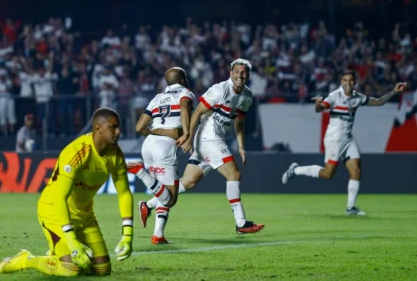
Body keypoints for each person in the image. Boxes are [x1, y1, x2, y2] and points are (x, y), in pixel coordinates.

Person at [131, 59, 265, 235]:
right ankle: (241, 223)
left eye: (244, 72)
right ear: (231, 73)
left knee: (188, 182)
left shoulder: (247, 96)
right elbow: (197, 113)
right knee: (234, 174)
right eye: (237, 72)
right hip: (208, 139)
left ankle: (148, 205)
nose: (240, 76)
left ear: (248, 74)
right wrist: (188, 136)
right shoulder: (219, 90)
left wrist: (241, 146)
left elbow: (240, 120)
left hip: (214, 140)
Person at [0, 107, 134, 276]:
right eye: (113, 127)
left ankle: (59, 253)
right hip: (53, 211)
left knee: (102, 270)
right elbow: (60, 198)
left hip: (84, 216)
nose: (119, 131)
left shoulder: (115, 155)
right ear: (98, 128)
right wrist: (72, 241)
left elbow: (124, 193)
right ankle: (26, 259)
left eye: (118, 127)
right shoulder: (77, 152)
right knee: (72, 269)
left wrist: (127, 234)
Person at [281, 71, 406, 215]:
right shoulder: (335, 96)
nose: (348, 83)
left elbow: (378, 102)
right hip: (335, 138)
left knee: (356, 169)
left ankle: (350, 208)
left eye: (351, 80)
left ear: (355, 82)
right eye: (345, 80)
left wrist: (394, 91)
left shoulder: (357, 97)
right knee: (328, 174)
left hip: (348, 138)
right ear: (341, 82)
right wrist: (317, 104)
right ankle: (295, 170)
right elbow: (320, 109)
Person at [128, 67, 195, 244]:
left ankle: (158, 234)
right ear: (182, 79)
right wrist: (187, 134)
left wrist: (155, 135)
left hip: (149, 142)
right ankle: (140, 172)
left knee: (163, 191)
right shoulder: (185, 92)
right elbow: (184, 107)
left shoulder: (157, 98)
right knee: (170, 199)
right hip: (165, 146)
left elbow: (139, 127)